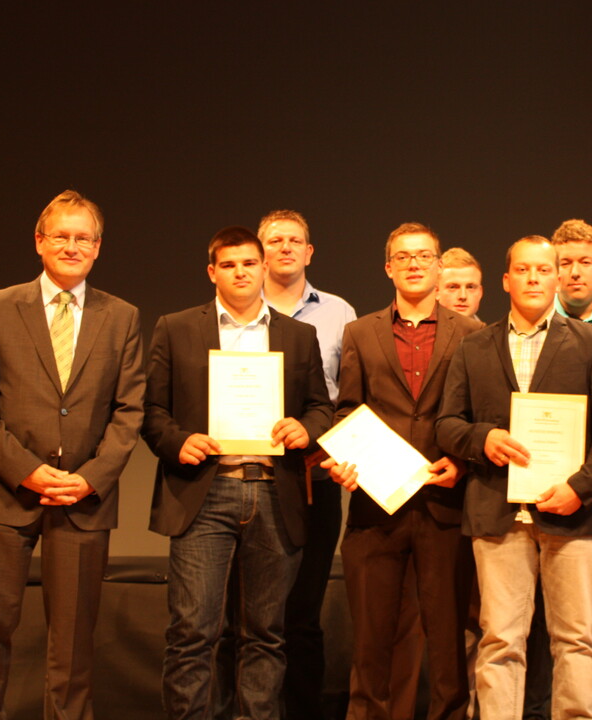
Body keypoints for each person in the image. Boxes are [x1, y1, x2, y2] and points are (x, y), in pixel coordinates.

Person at [0, 189, 145, 720]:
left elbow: (130, 410)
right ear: (39, 241)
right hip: (2, 493)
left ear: (98, 247)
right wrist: (28, 471)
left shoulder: (122, 316)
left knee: (73, 642)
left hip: (82, 499)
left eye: (82, 237)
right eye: (60, 235)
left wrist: (88, 479)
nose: (71, 245)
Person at [436, 234, 592, 720]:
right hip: (497, 513)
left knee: (576, 639)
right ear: (506, 280)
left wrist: (581, 488)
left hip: (572, 513)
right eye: (522, 270)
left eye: (543, 270)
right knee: (500, 640)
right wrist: (482, 438)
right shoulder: (475, 345)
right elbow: (447, 424)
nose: (533, 279)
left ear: (558, 277)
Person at [143, 226, 332, 720]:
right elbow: (151, 412)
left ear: (264, 267)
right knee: (192, 633)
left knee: (265, 635)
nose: (241, 272)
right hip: (204, 495)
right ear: (212, 273)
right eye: (229, 265)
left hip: (274, 492)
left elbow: (320, 408)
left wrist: (305, 429)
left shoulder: (299, 335)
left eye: (249, 263)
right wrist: (178, 440)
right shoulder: (176, 327)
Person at [323, 223, 481, 720]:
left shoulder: (473, 335)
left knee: (449, 643)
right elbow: (347, 411)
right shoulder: (360, 332)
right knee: (372, 643)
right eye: (403, 257)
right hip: (376, 508)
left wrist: (462, 462)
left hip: (446, 507)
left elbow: (482, 417)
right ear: (388, 267)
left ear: (439, 266)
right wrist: (343, 462)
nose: (414, 264)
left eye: (424, 256)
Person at [259, 209, 356, 720]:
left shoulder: (340, 313)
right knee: (249, 615)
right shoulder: (236, 309)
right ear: (260, 250)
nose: (286, 248)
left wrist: (320, 435)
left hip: (315, 479)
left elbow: (352, 398)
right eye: (275, 240)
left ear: (309, 251)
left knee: (302, 614)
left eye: (295, 240)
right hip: (246, 477)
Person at [524, 218, 592, 720]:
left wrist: (585, 485)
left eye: (584, 262)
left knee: (589, 620)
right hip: (529, 499)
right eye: (564, 264)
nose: (573, 273)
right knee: (526, 627)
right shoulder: (521, 330)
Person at [438, 247, 484, 320]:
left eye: (470, 287)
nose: (463, 296)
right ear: (436, 291)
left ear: (480, 292)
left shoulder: (495, 331)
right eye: (452, 287)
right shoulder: (420, 330)